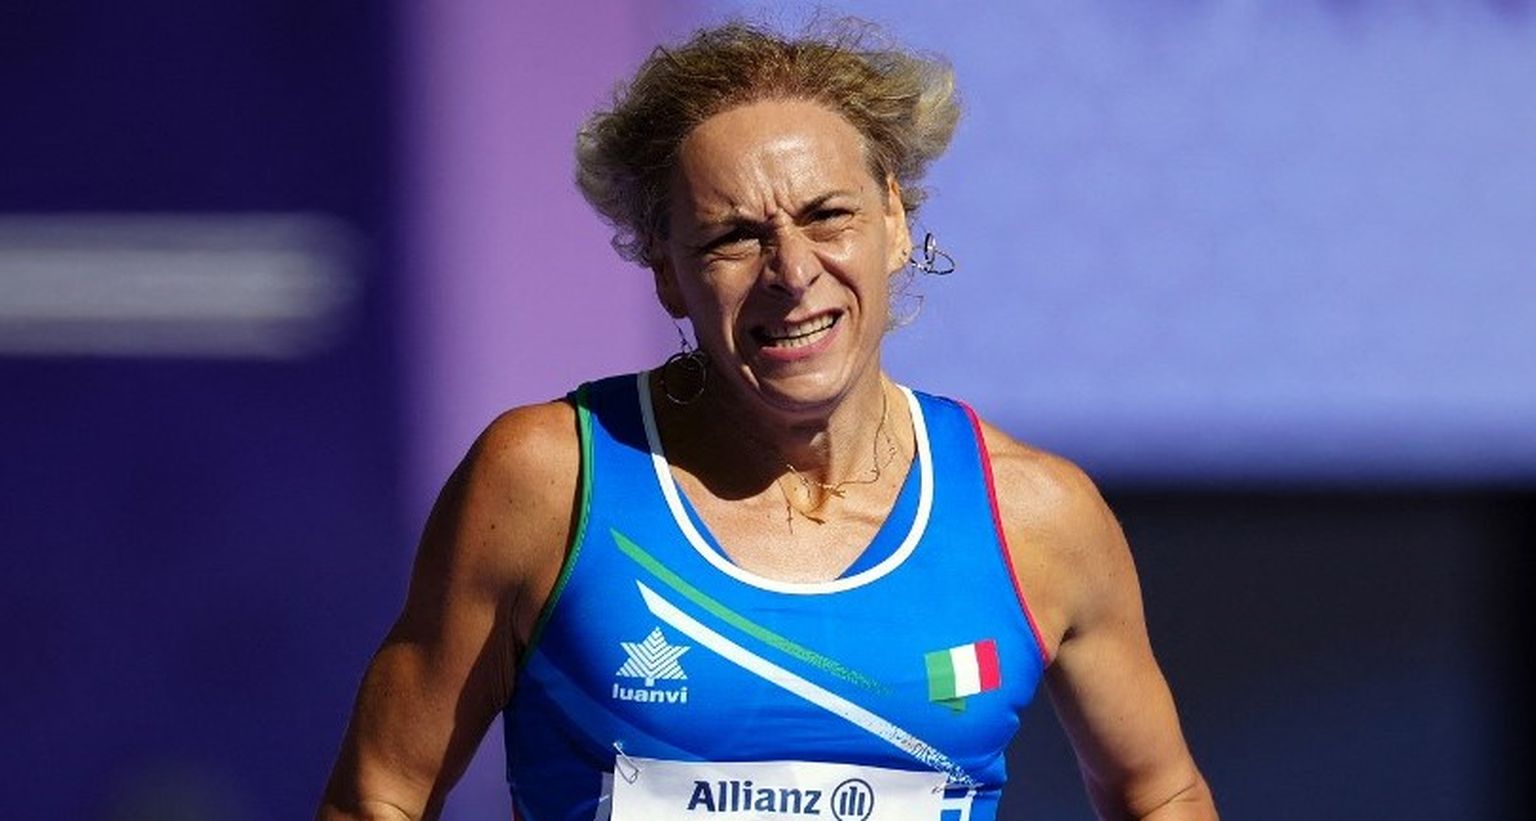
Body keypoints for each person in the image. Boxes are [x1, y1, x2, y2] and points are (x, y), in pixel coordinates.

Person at [319, 19, 1217, 821]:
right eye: (733, 237)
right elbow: (380, 795)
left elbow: (1161, 793)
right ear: (667, 271)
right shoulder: (549, 479)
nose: (792, 272)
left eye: (828, 216)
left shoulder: (1036, 516)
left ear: (895, 222)